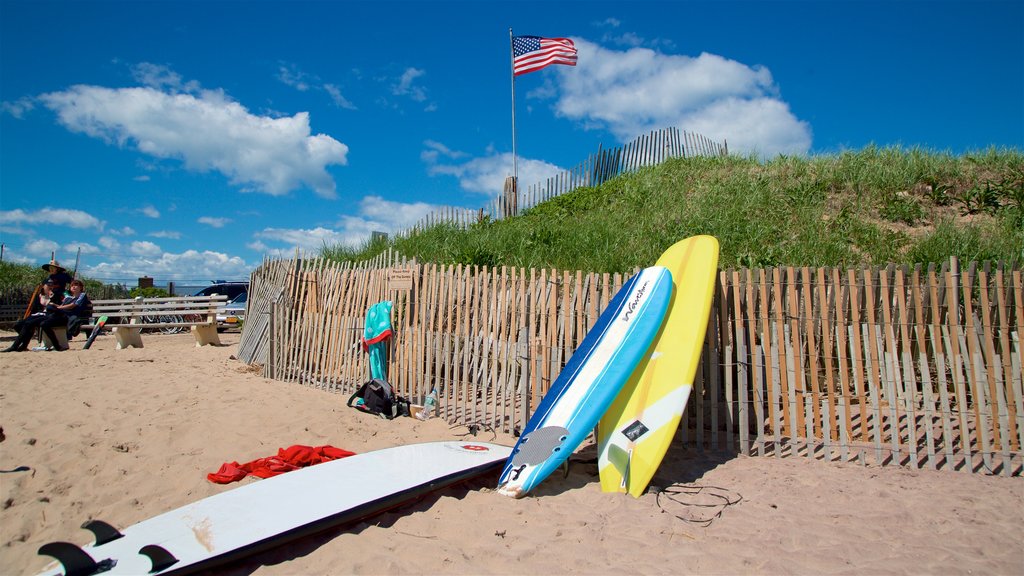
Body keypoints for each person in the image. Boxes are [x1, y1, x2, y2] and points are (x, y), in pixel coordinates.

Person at [4, 282, 64, 352]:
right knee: (18, 325)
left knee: (28, 324)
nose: (50, 287)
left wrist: (52, 299)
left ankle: (15, 346)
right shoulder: (39, 296)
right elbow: (34, 308)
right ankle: (24, 344)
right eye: (48, 285)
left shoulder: (56, 295)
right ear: (43, 286)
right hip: (37, 315)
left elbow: (59, 307)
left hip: (49, 315)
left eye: (52, 285)